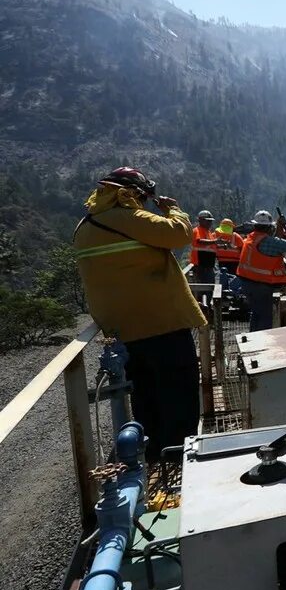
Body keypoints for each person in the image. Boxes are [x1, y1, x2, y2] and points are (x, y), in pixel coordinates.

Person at [73, 167, 206, 460]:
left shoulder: (84, 227)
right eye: (144, 198)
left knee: (146, 397)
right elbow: (180, 234)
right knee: (179, 397)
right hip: (163, 326)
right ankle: (182, 461)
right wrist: (174, 209)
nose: (144, 204)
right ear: (131, 193)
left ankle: (153, 456)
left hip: (123, 333)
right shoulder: (128, 218)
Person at [189, 209, 220, 284]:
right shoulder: (197, 230)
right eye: (208, 221)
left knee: (210, 286)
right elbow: (199, 241)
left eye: (211, 221)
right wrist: (215, 241)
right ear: (200, 220)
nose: (210, 223)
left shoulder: (208, 232)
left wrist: (222, 245)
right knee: (203, 287)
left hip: (208, 264)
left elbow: (212, 245)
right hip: (200, 265)